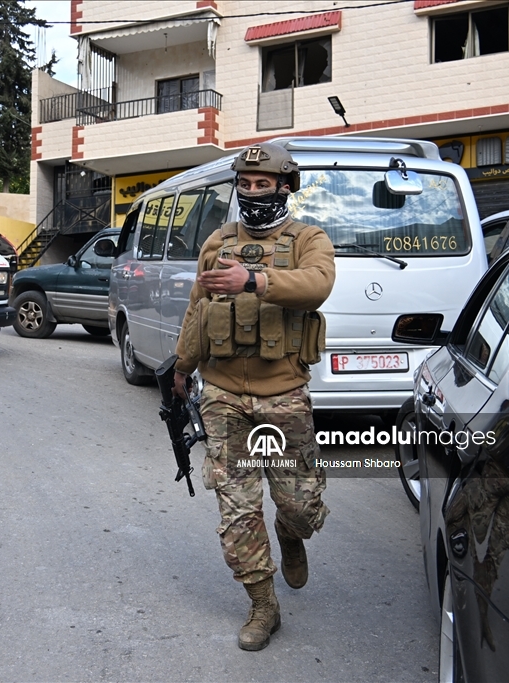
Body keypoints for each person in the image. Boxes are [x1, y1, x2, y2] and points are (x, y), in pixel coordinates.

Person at [173, 142, 336, 651]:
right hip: (223, 397)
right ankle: (263, 605)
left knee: (302, 506)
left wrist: (256, 280)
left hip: (283, 394)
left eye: (262, 184)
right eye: (244, 185)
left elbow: (318, 284)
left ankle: (291, 532)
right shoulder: (218, 242)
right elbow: (197, 309)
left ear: (284, 186)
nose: (251, 192)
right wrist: (180, 368)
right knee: (237, 511)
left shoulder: (309, 239)